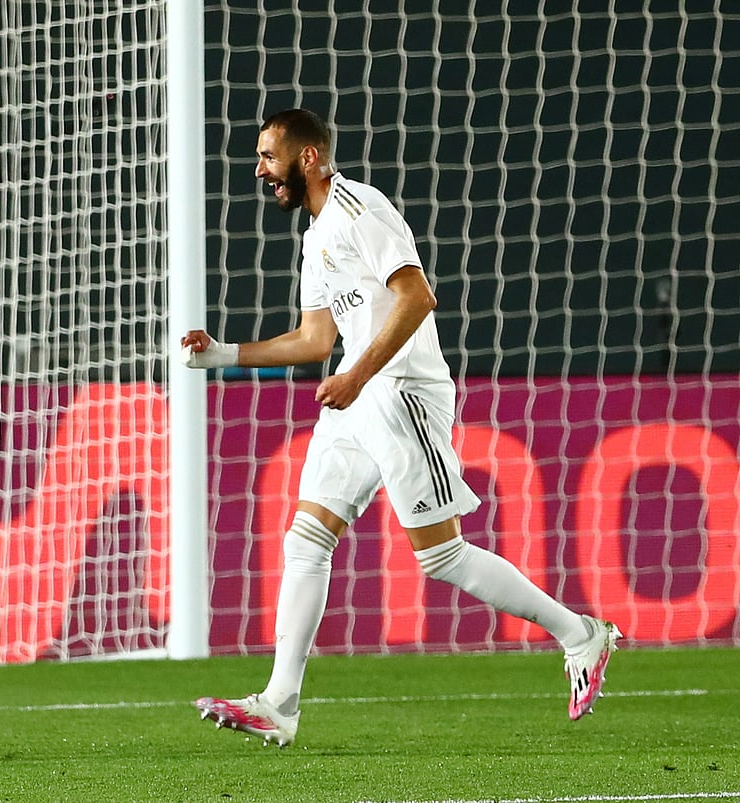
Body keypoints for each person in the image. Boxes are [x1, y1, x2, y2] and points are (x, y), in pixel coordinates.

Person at [182, 109, 620, 748]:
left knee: (440, 556)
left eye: (269, 157)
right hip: (360, 399)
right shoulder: (315, 237)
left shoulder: (363, 209)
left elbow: (417, 297)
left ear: (306, 157)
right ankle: (279, 703)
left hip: (402, 394)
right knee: (306, 538)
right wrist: (222, 353)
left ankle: (580, 634)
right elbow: (313, 339)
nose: (260, 170)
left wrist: (357, 376)